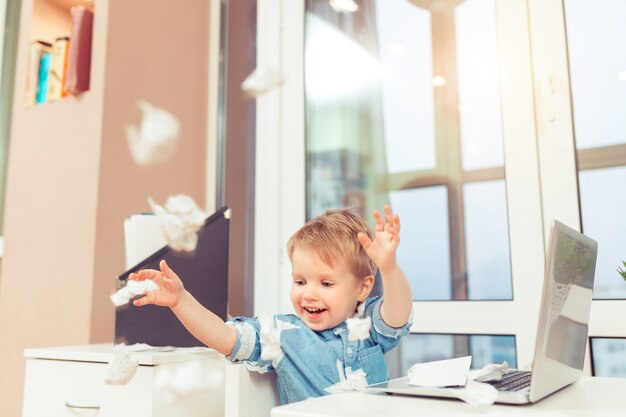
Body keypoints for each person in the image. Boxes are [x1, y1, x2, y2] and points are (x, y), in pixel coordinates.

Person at [130, 205, 413, 404]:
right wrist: (181, 301)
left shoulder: (367, 327)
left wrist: (389, 268)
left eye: (326, 284)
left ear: (363, 289)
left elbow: (397, 315)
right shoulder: (281, 334)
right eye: (300, 282)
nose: (309, 294)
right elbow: (227, 338)